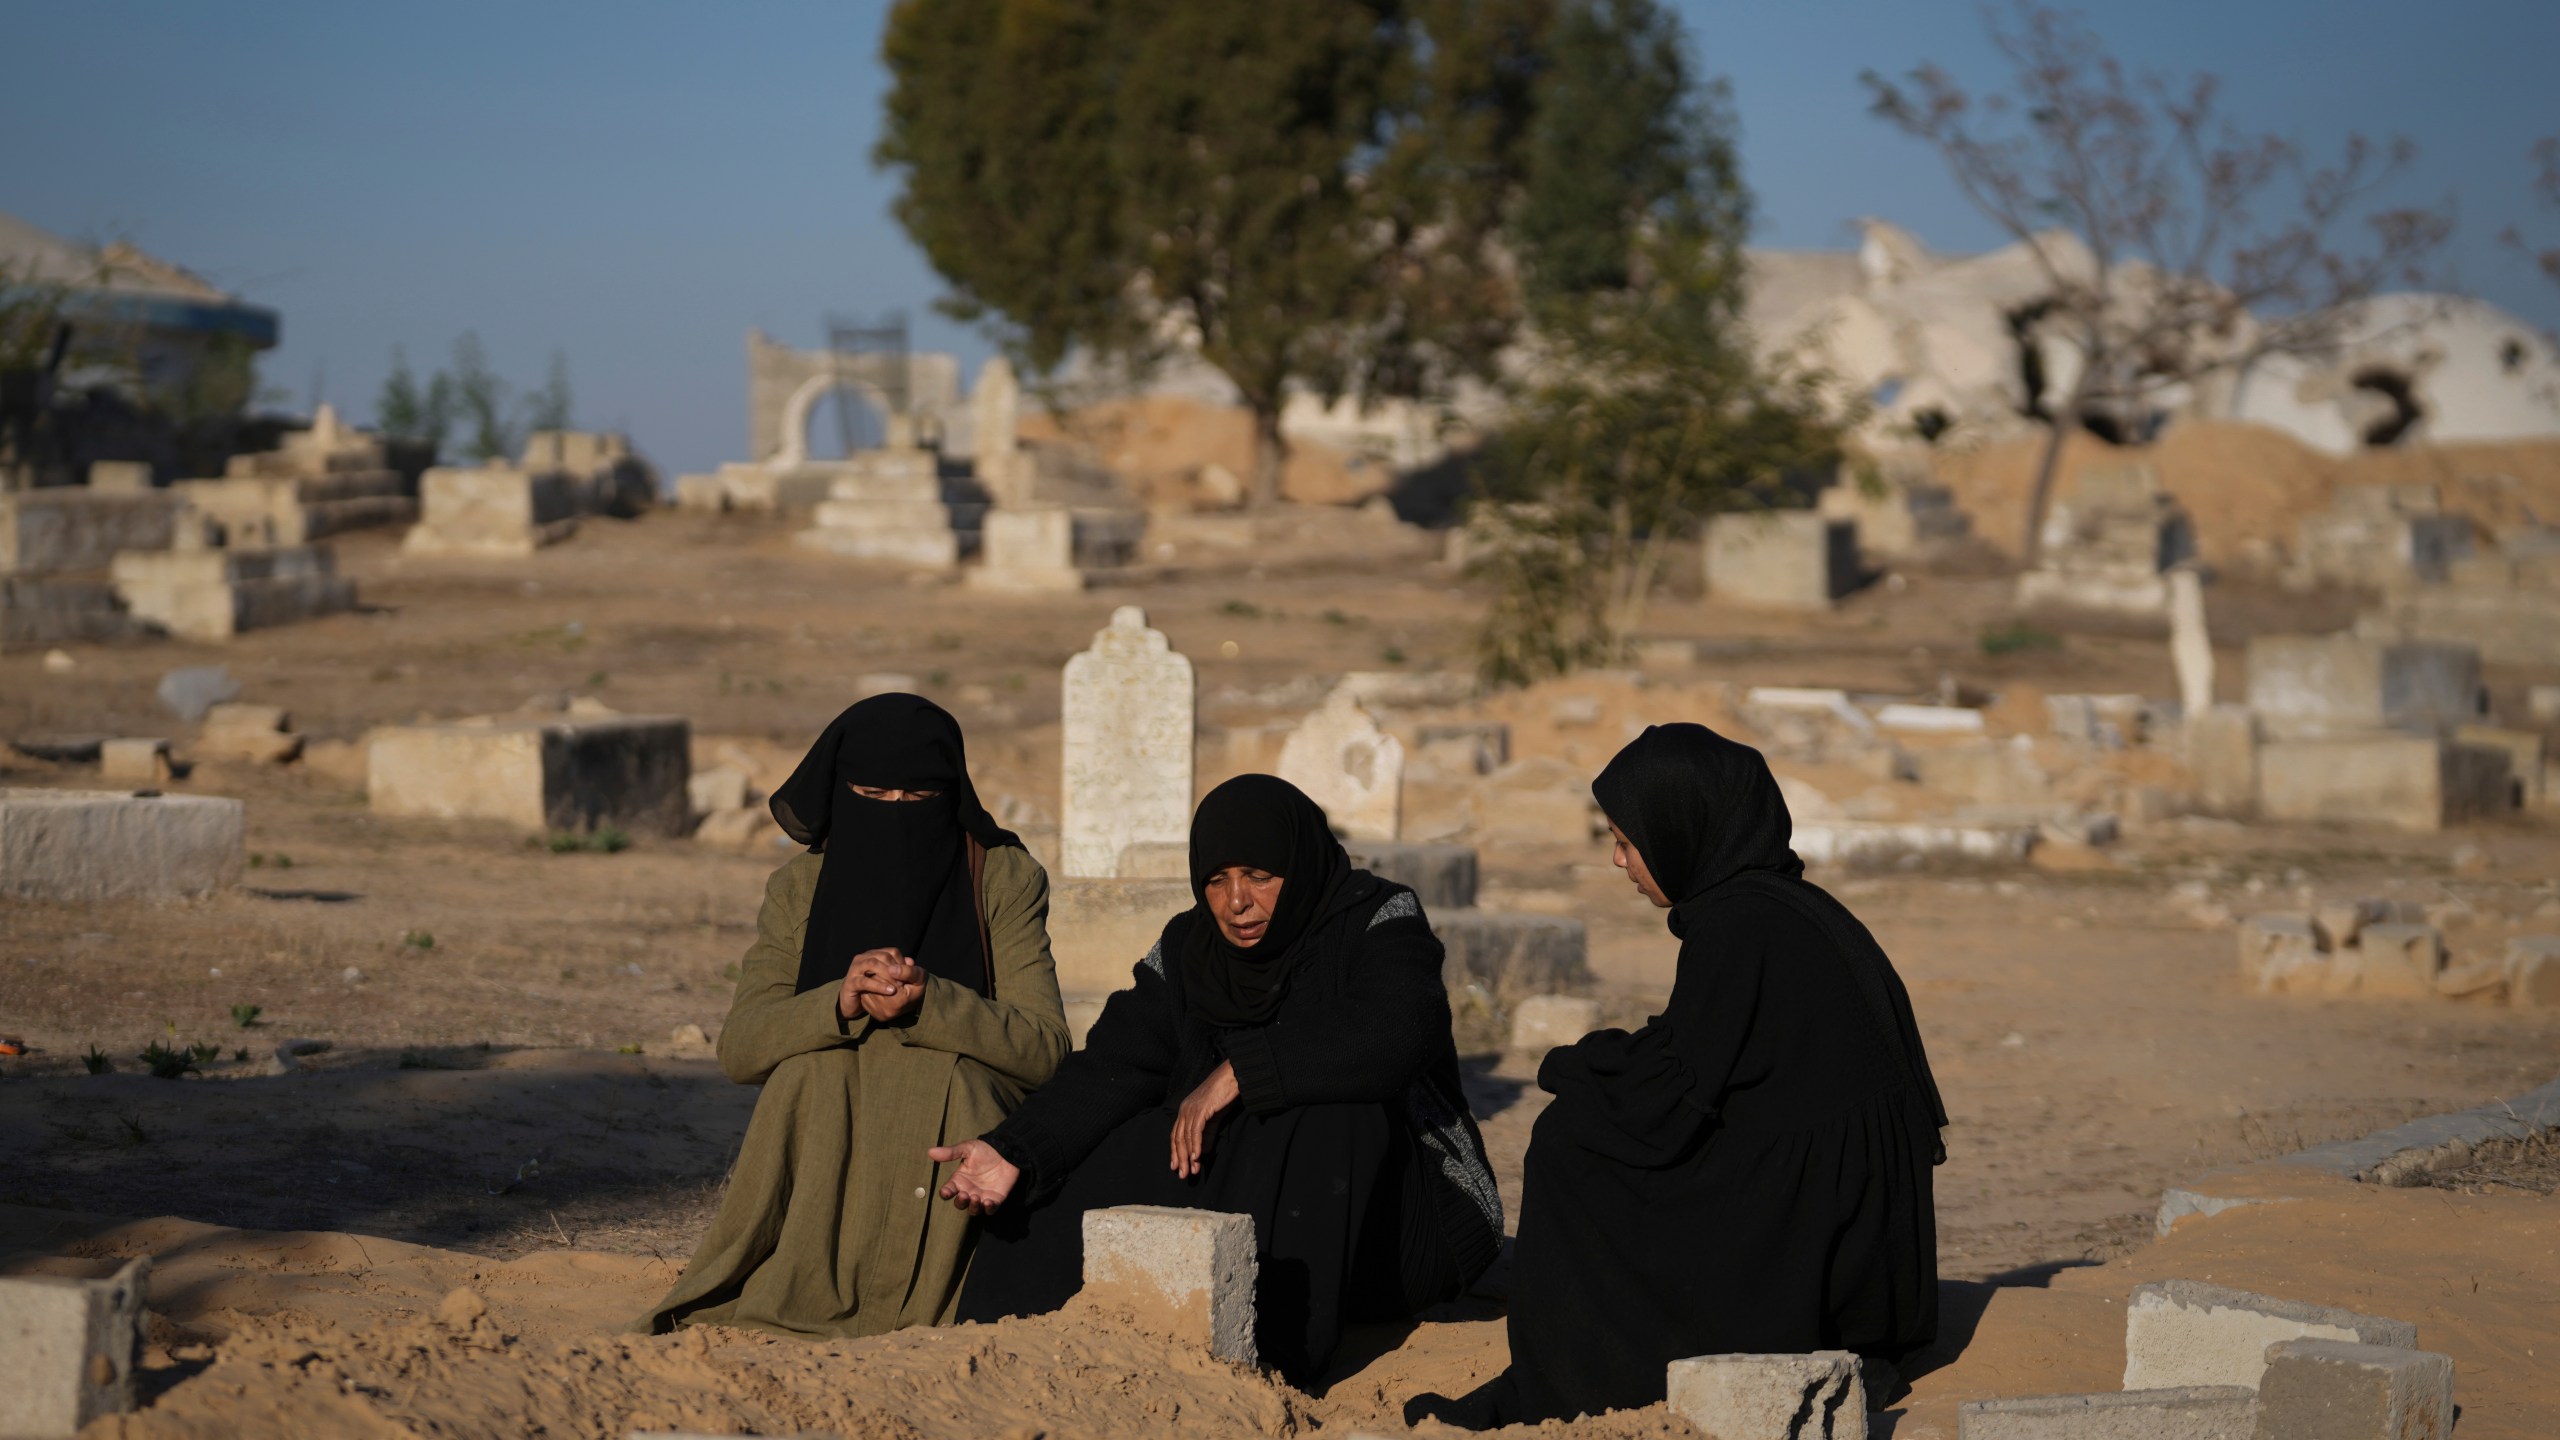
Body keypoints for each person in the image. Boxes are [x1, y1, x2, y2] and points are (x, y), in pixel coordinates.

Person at [1414, 723, 1946, 1427]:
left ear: (1683, 830)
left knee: (1572, 1144)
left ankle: (1573, 1381)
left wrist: (1575, 1070)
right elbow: (1705, 1060)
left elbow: (1663, 1106)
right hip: (1862, 1239)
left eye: (1628, 841)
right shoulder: (1786, 907)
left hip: (1822, 1226)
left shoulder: (1740, 929)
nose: (1618, 861)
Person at [934, 774, 1502, 1381]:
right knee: (1098, 1152)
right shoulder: (1188, 946)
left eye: (1260, 876)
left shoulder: (1377, 917)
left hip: (1400, 1228)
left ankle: (1275, 1364)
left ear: (1300, 863)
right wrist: (1017, 1148)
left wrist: (1243, 1071)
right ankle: (1014, 1346)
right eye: (1216, 880)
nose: (1237, 902)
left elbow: (1399, 1032)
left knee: (1335, 1111)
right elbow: (1114, 1066)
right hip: (1252, 1203)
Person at [635, 694, 1069, 1339]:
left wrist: (933, 1000)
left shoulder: (1002, 877)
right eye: (872, 793)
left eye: (918, 800)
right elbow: (742, 1048)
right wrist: (837, 1000)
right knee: (809, 1078)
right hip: (832, 1108)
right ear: (840, 793)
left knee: (952, 1089)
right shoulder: (798, 887)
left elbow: (1046, 1048)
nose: (894, 815)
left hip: (955, 1112)